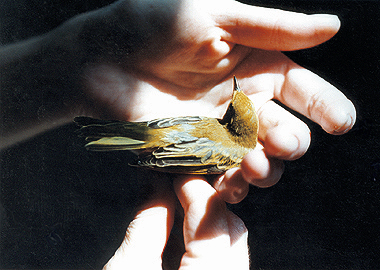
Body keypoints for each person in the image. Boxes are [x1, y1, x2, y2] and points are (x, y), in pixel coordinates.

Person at [0, 0, 356, 269]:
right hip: (162, 139)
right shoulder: (232, 147)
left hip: (162, 135)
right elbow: (182, 143)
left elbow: (181, 138)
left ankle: (111, 134)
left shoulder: (231, 143)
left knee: (117, 135)